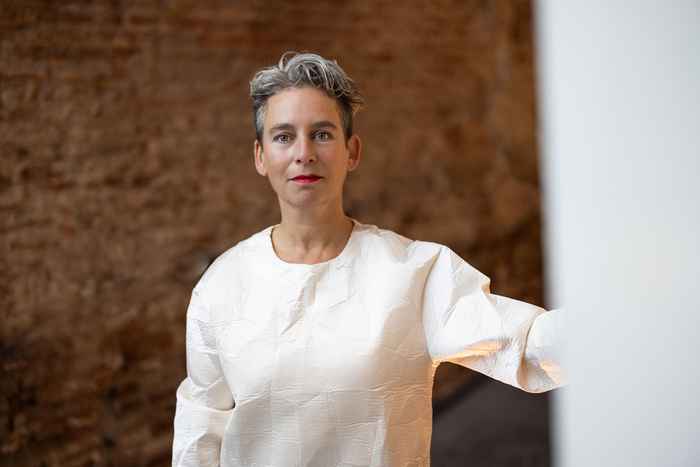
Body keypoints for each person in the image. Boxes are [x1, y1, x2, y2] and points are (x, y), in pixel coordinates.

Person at [171, 52, 565, 467]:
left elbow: (523, 343)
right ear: (260, 156)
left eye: (322, 134)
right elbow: (200, 430)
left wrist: (607, 321)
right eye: (283, 137)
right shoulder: (222, 286)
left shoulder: (414, 273)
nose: (304, 152)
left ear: (352, 151)